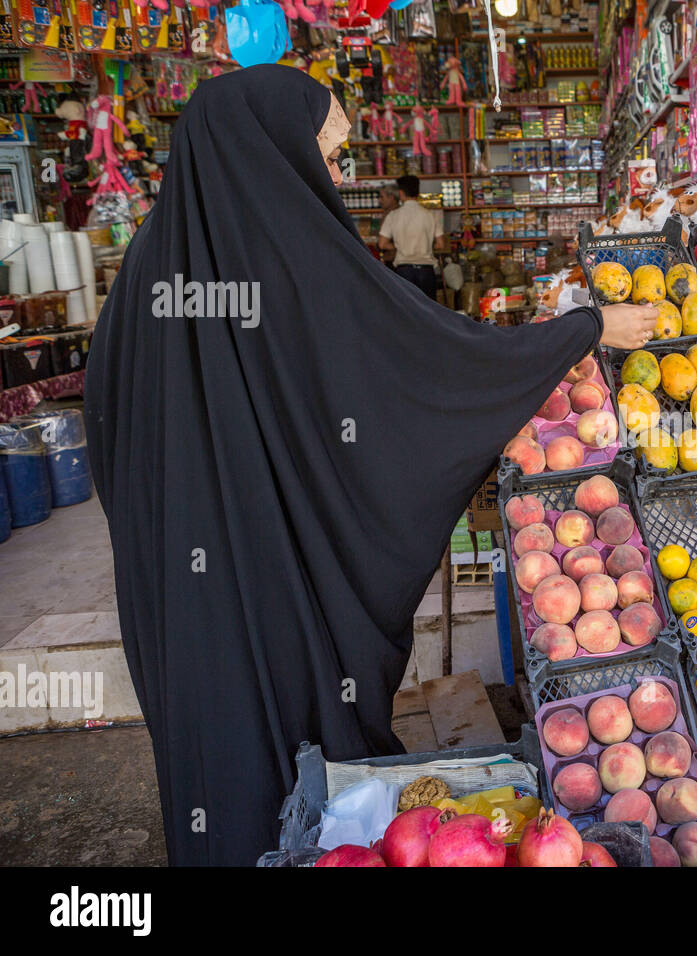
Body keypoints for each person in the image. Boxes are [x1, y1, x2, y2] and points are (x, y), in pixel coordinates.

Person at [83, 65, 657, 866]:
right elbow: (418, 362)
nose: (342, 176)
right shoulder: (292, 257)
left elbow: (108, 435)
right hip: (258, 573)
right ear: (276, 149)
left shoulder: (148, 270)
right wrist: (577, 332)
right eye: (333, 152)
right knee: (285, 737)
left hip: (179, 586)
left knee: (219, 756)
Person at [379, 174, 443, 297]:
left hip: (404, 272)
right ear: (418, 192)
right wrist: (426, 245)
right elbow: (440, 244)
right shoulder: (430, 215)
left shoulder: (393, 215)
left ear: (401, 193)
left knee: (406, 312)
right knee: (429, 311)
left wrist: (399, 246)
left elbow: (382, 244)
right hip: (426, 272)